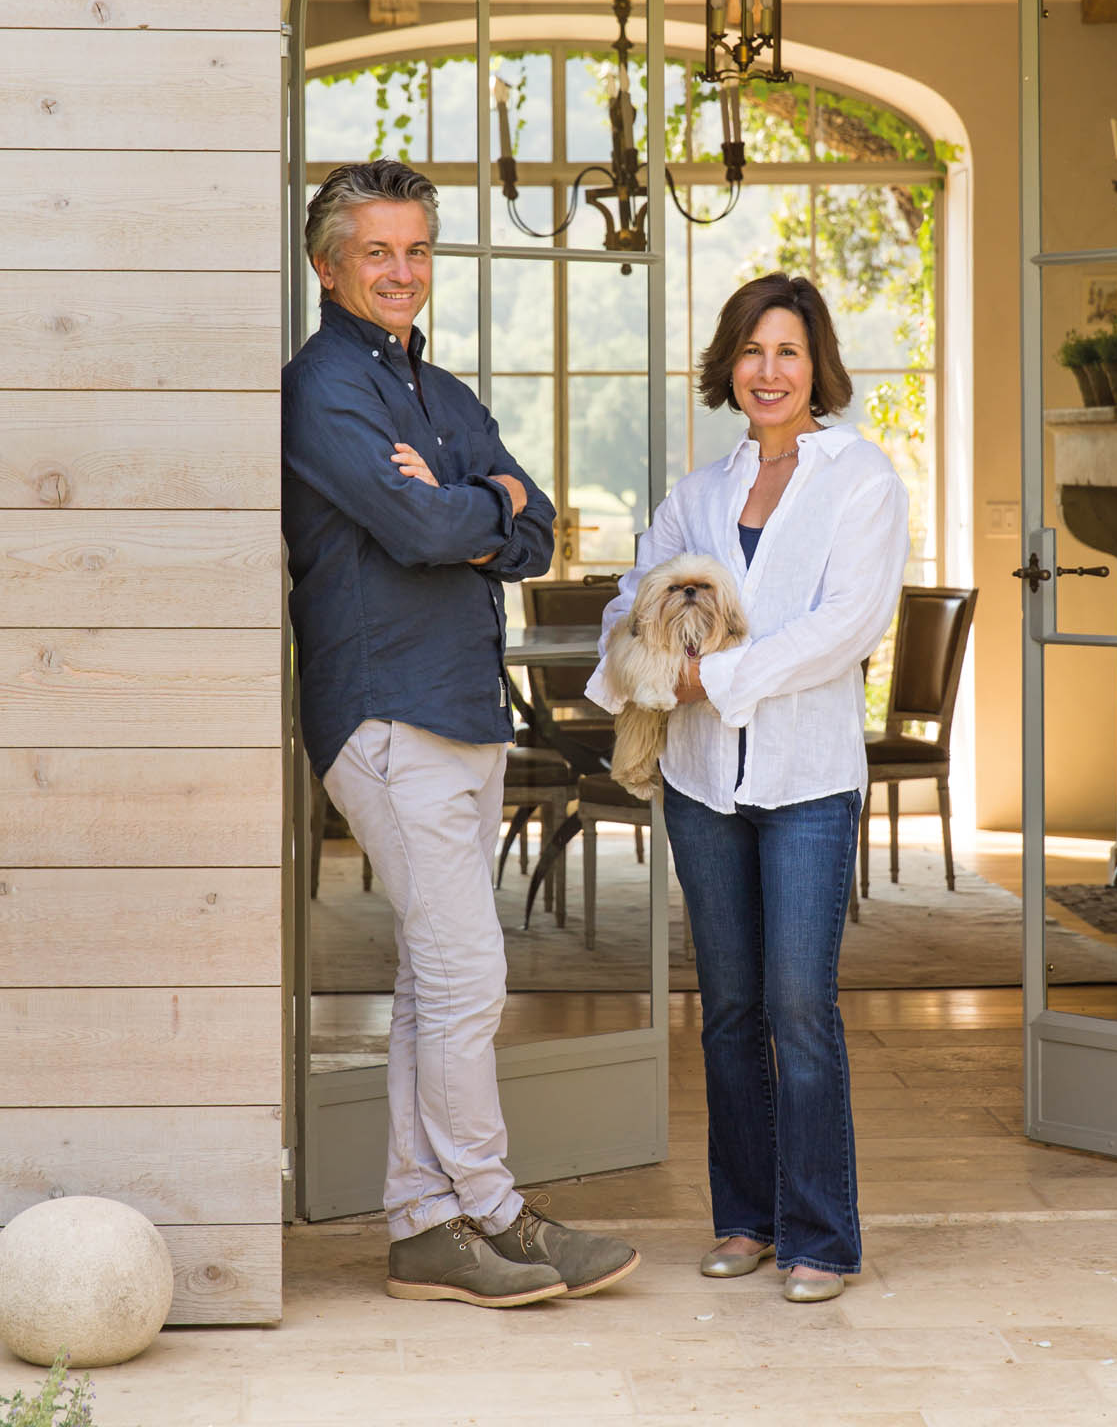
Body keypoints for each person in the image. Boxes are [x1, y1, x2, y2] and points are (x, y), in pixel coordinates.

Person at [282, 159, 640, 1309]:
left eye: (418, 249)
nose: (403, 270)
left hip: (462, 709)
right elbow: (420, 522)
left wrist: (472, 502)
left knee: (434, 977)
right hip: (388, 710)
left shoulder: (438, 391)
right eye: (378, 251)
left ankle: (425, 1224)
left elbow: (539, 526)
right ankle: (492, 1206)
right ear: (328, 264)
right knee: (466, 970)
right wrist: (473, 505)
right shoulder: (321, 386)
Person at [586, 272, 910, 1302]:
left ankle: (821, 1234)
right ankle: (746, 1219)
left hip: (809, 778)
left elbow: (847, 624)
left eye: (789, 352)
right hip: (699, 783)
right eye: (752, 352)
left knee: (797, 1005)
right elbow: (634, 600)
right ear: (730, 364)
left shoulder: (861, 477)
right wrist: (640, 668)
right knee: (726, 1009)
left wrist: (705, 676)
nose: (769, 371)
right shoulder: (699, 491)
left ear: (818, 366)